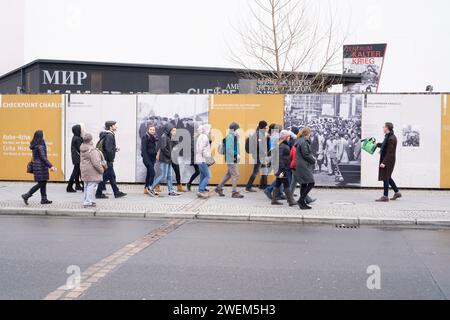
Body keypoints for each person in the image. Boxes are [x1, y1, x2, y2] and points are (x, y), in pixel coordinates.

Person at [22, 130, 57, 205]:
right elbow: (43, 158)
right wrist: (51, 166)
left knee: (43, 182)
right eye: (43, 134)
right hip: (40, 166)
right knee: (41, 183)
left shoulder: (36, 144)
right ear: (40, 136)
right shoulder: (40, 146)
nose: (44, 135)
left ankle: (44, 199)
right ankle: (26, 195)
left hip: (38, 166)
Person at [95, 121, 127, 199]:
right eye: (114, 125)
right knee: (107, 176)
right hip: (107, 161)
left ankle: (116, 192)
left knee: (111, 176)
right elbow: (108, 149)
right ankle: (99, 193)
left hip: (106, 160)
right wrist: (110, 159)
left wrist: (114, 149)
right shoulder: (109, 136)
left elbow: (107, 147)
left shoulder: (107, 135)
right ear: (110, 127)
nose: (116, 127)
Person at [149, 123, 180, 197]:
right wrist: (171, 155)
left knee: (169, 176)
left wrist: (174, 137)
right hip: (165, 159)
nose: (174, 132)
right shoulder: (164, 137)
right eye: (173, 130)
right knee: (163, 175)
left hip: (168, 159)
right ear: (169, 129)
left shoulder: (169, 136)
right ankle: (151, 187)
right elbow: (163, 148)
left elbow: (174, 146)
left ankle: (171, 191)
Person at [215, 122, 244, 199]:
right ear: (234, 129)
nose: (238, 131)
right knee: (235, 174)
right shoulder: (230, 136)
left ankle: (219, 188)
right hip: (232, 159)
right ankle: (234, 192)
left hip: (231, 158)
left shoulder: (233, 136)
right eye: (237, 129)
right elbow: (229, 149)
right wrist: (235, 155)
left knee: (228, 174)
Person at [376, 122, 402, 202]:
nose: (383, 128)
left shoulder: (391, 138)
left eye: (384, 127)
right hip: (388, 159)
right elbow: (384, 145)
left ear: (387, 128)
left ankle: (385, 196)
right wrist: (376, 144)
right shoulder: (388, 137)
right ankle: (397, 192)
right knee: (388, 177)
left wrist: (384, 162)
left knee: (386, 177)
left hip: (389, 160)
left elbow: (390, 152)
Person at [271, 130, 296, 206]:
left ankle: (274, 200)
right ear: (285, 137)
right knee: (286, 184)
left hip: (281, 169)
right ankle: (291, 201)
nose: (289, 138)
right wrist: (282, 169)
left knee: (278, 183)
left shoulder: (282, 145)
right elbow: (280, 158)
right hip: (282, 169)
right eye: (288, 136)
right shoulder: (282, 146)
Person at [80, 133, 104, 208]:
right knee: (91, 186)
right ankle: (88, 202)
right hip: (91, 171)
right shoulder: (92, 150)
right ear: (91, 140)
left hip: (84, 169)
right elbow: (96, 163)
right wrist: (101, 170)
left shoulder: (82, 148)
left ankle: (86, 200)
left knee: (86, 186)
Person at [295, 127, 316, 210]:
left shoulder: (301, 140)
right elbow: (306, 154)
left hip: (301, 164)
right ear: (307, 133)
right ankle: (301, 200)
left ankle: (302, 202)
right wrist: (313, 160)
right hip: (303, 164)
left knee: (304, 183)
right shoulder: (303, 141)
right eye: (310, 133)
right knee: (311, 182)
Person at [245, 120, 268, 192]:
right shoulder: (259, 134)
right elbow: (260, 146)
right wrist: (264, 153)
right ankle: (248, 187)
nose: (266, 128)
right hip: (259, 155)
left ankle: (263, 186)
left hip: (260, 155)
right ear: (263, 127)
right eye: (265, 127)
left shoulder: (259, 133)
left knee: (264, 169)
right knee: (255, 171)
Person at [196, 124, 212, 199]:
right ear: (207, 129)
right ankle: (200, 190)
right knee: (208, 176)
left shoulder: (201, 136)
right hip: (202, 159)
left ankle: (200, 190)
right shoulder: (204, 137)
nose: (210, 130)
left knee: (203, 175)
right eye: (210, 129)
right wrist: (207, 155)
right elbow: (201, 149)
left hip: (200, 159)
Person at [66, 124, 84, 193]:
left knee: (77, 172)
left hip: (75, 158)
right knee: (76, 172)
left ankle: (77, 185)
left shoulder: (75, 137)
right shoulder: (78, 138)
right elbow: (81, 149)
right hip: (78, 158)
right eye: (80, 129)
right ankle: (69, 187)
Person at [141, 125, 158, 195]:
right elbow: (144, 150)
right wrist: (146, 160)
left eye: (153, 130)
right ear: (148, 130)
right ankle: (150, 188)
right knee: (152, 173)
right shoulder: (145, 137)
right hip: (147, 158)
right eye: (151, 129)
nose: (152, 131)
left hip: (152, 158)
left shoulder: (154, 137)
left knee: (149, 173)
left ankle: (146, 188)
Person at [186, 118, 200, 191]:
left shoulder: (199, 138)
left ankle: (190, 183)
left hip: (198, 158)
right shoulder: (193, 139)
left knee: (199, 172)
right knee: (199, 172)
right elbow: (192, 149)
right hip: (195, 158)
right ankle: (189, 183)